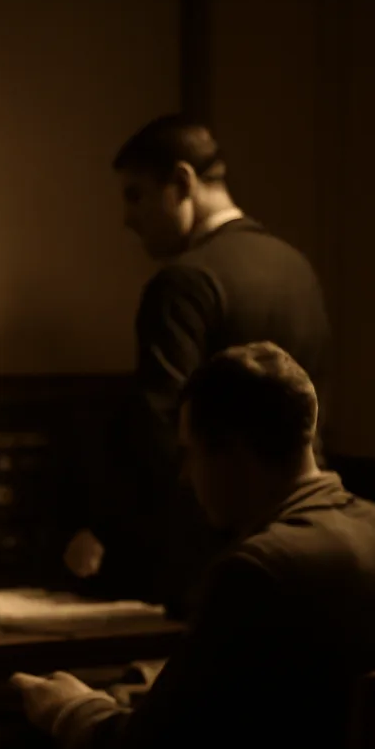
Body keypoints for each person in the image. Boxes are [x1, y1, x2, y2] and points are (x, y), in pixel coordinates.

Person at [12, 343, 375, 749]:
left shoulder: (256, 570)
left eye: (190, 455)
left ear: (230, 453)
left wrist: (70, 708)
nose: (185, 478)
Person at [63, 114, 331, 617]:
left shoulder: (184, 283)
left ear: (182, 182)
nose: (127, 217)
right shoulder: (298, 268)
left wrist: (109, 532)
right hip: (304, 535)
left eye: (136, 195)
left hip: (207, 555)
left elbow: (161, 426)